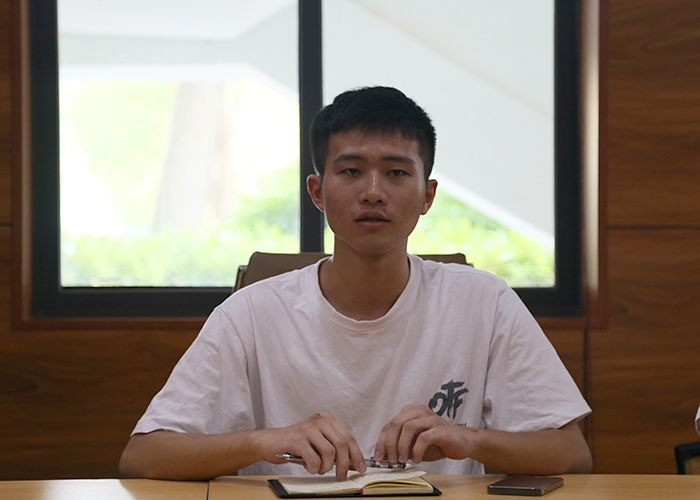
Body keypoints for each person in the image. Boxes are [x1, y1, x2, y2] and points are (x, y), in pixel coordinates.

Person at [119, 86, 592, 481]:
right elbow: (143, 457)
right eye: (350, 171)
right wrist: (265, 441)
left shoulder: (484, 301)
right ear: (317, 192)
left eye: (396, 172)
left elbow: (571, 454)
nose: (373, 192)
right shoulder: (251, 313)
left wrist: (468, 440)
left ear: (427, 196)